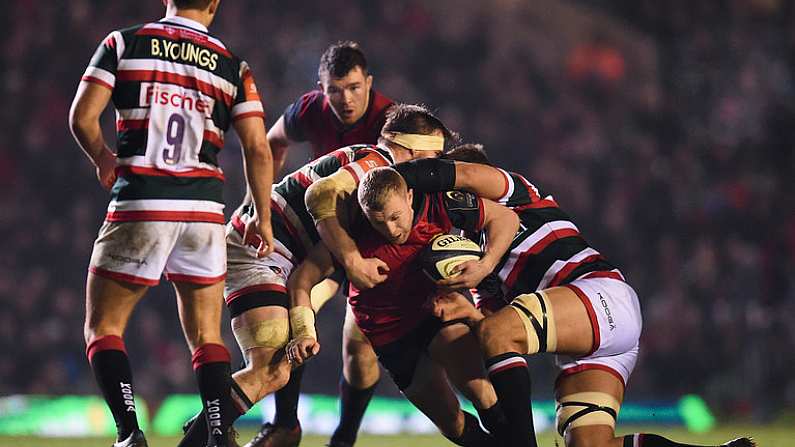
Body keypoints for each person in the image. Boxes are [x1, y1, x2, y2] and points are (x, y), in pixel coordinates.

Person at [399, 145, 755, 447]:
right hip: (592, 337)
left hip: (599, 295)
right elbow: (496, 336)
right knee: (590, 444)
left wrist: (394, 177)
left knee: (499, 331)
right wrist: (463, 310)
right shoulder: (477, 264)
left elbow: (500, 332)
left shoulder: (517, 194)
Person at [177, 104, 455, 447]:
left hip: (274, 255)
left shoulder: (378, 174)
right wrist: (352, 260)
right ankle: (208, 428)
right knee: (271, 369)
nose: (435, 169)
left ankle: (215, 421)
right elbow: (319, 193)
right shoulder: (376, 161)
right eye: (433, 156)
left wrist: (305, 328)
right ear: (411, 149)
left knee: (277, 368)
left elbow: (304, 281)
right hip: (260, 252)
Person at [68, 1, 274, 446]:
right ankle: (219, 435)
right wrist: (262, 215)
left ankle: (128, 434)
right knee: (206, 334)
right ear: (214, 4)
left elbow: (82, 117)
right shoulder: (233, 66)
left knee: (103, 325)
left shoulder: (125, 42)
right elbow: (258, 148)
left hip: (143, 199)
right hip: (204, 210)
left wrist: (104, 158)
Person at [286, 166, 520, 446]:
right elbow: (301, 280)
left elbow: (506, 218)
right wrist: (303, 331)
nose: (391, 229)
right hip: (390, 337)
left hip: (436, 313)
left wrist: (485, 265)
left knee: (484, 395)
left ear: (409, 196)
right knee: (452, 423)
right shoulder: (351, 238)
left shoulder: (440, 205)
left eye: (396, 217)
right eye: (378, 222)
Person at [248, 41, 394, 447]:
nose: (344, 100)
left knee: (358, 348)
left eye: (352, 88)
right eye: (335, 90)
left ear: (369, 83)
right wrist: (258, 204)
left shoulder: (390, 122)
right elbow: (269, 143)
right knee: (293, 310)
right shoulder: (311, 110)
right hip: (328, 239)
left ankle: (344, 437)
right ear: (321, 87)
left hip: (374, 243)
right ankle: (285, 424)